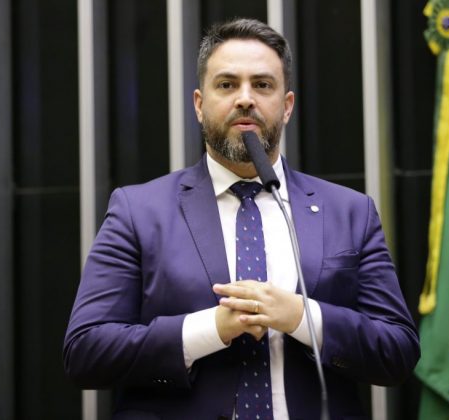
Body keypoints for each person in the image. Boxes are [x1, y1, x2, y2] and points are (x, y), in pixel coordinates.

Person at [64, 18, 419, 420]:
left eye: (262, 85)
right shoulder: (138, 211)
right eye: (227, 84)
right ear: (199, 105)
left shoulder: (350, 212)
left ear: (287, 106)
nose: (245, 99)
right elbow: (85, 351)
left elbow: (398, 351)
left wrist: (302, 317)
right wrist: (210, 329)